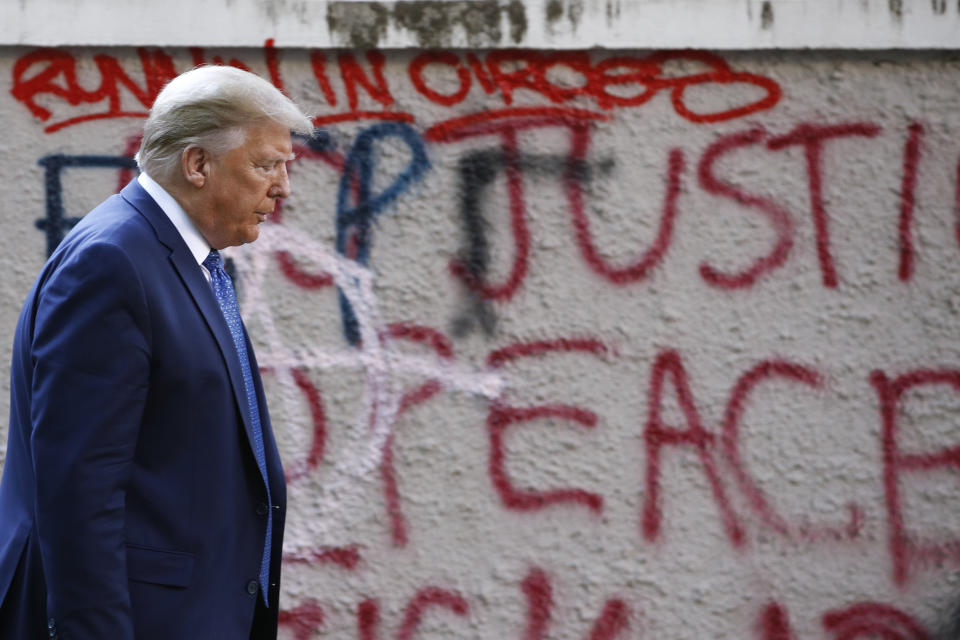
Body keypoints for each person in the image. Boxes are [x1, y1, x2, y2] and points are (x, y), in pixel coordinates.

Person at [0, 65, 313, 639]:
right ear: (197, 165)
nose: (282, 187)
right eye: (266, 165)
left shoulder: (183, 258)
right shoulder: (113, 263)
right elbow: (78, 490)